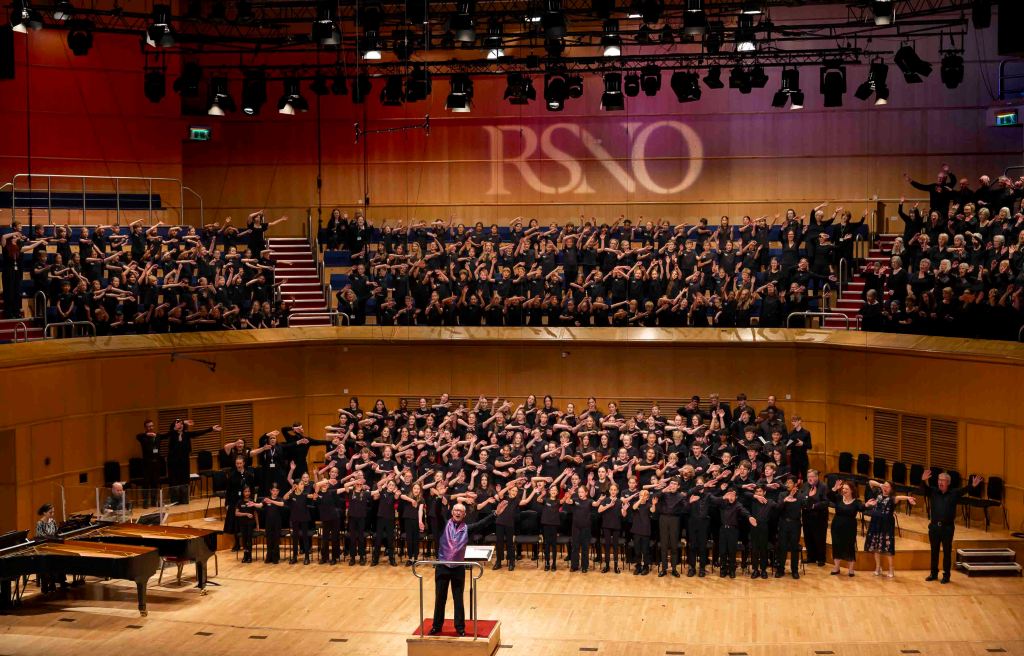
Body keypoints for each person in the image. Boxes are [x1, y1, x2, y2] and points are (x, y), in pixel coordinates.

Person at [430, 501, 503, 637]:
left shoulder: (467, 528)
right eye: (456, 510)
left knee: (458, 599)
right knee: (440, 598)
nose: (458, 512)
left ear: (464, 515)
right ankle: (436, 626)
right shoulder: (444, 524)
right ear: (452, 512)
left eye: (460, 511)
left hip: (458, 568)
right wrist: (439, 498)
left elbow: (481, 524)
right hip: (442, 567)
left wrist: (495, 514)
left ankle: (460, 627)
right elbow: (437, 513)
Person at [921, 469, 983, 583]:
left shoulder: (954, 493)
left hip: (947, 529)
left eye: (943, 480)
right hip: (934, 528)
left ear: (948, 482)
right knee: (934, 552)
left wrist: (972, 485)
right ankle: (933, 574)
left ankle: (946, 576)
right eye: (939, 480)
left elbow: (964, 490)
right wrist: (924, 481)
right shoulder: (933, 492)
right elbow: (924, 489)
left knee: (947, 552)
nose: (940, 482)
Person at [864, 479, 917, 577]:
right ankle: (878, 567)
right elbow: (870, 482)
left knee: (888, 547)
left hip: (886, 525)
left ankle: (891, 569)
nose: (885, 488)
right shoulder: (878, 494)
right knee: (875, 546)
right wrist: (881, 485)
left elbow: (899, 497)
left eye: (887, 487)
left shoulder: (892, 498)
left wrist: (908, 498)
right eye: (884, 486)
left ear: (891, 489)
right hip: (875, 522)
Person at [164, 418, 221, 505]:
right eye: (178, 423)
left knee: (184, 480)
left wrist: (211, 429)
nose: (180, 425)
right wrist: (178, 426)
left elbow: (198, 433)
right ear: (174, 426)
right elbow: (165, 435)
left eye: (181, 424)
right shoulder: (172, 434)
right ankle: (175, 501)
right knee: (174, 481)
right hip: (173, 463)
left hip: (184, 461)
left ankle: (184, 500)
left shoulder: (186, 434)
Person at [828, 479, 863, 577]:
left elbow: (862, 508)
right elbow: (829, 496)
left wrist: (868, 505)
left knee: (849, 547)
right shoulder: (839, 498)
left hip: (849, 528)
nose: (844, 490)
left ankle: (851, 570)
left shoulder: (856, 502)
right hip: (836, 526)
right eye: (843, 488)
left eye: (846, 489)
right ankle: (836, 567)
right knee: (836, 546)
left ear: (852, 490)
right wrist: (835, 488)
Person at [800, 469, 829, 567]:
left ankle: (821, 558)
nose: (810, 478)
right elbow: (801, 496)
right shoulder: (805, 485)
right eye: (808, 477)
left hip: (819, 517)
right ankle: (811, 557)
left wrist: (814, 506)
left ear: (817, 477)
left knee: (819, 537)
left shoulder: (823, 486)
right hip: (806, 515)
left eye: (812, 476)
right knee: (808, 536)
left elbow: (826, 502)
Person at [135, 419, 164, 508]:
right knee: (146, 483)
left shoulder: (157, 436)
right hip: (147, 464)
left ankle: (154, 501)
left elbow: (167, 435)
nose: (151, 428)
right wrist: (146, 434)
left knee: (155, 483)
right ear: (145, 427)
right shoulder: (143, 437)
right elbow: (137, 436)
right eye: (149, 426)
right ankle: (145, 502)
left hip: (156, 463)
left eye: (152, 426)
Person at [235, 486, 261, 563]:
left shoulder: (252, 501)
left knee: (249, 539)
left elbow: (255, 514)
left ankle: (249, 556)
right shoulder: (240, 502)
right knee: (244, 539)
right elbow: (236, 513)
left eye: (248, 491)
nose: (247, 493)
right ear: (243, 493)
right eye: (245, 491)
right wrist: (246, 514)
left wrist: (257, 525)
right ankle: (245, 555)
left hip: (250, 523)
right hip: (242, 523)